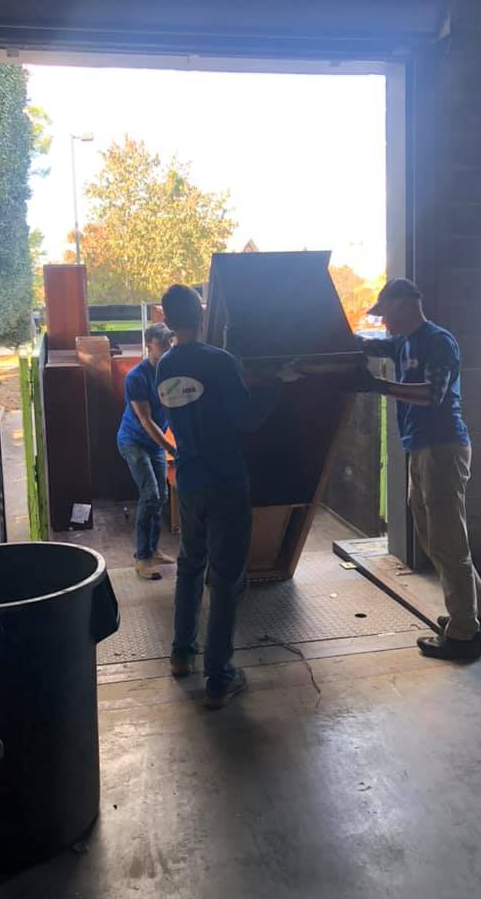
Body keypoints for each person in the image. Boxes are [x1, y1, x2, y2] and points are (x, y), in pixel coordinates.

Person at [357, 277, 481, 662]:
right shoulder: (402, 342)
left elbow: (431, 395)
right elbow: (366, 344)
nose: (383, 322)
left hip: (443, 448)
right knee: (437, 537)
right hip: (421, 449)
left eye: (386, 313)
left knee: (447, 540)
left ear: (406, 303)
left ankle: (463, 635)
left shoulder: (438, 341)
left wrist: (379, 386)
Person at [156, 285, 283, 709]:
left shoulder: (164, 365)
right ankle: (219, 675)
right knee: (226, 579)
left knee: (190, 565)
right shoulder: (221, 362)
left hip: (189, 481)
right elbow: (246, 420)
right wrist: (275, 386)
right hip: (226, 481)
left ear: (166, 317)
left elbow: (194, 401)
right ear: (202, 313)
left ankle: (181, 654)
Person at [117, 322, 176, 580]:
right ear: (148, 345)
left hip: (154, 444)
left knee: (161, 495)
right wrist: (172, 448)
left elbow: (174, 409)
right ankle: (142, 558)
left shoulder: (171, 373)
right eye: (160, 346)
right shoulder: (136, 378)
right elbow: (145, 420)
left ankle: (152, 550)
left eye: (168, 345)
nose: (165, 350)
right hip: (134, 441)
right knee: (150, 494)